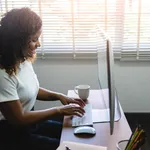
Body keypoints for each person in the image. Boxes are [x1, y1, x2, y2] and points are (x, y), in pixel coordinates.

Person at [0, 7, 85, 150]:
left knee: (73, 133)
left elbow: (31, 89)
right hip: (12, 135)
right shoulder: (3, 74)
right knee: (68, 146)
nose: (38, 44)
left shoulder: (22, 59)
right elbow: (18, 119)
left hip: (30, 125)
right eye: (34, 40)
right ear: (17, 41)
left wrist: (59, 96)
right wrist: (59, 110)